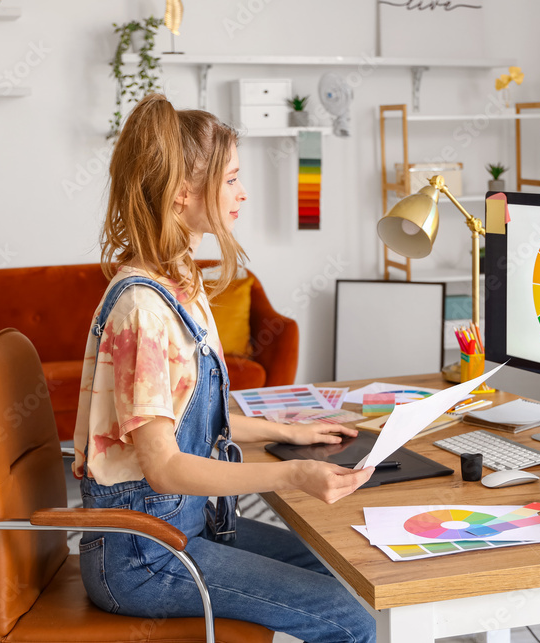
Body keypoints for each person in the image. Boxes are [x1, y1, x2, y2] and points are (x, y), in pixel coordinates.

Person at [71, 93, 376, 642]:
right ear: (183, 193)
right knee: (346, 618)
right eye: (231, 179)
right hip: (143, 558)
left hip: (183, 531)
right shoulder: (142, 311)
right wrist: (291, 473)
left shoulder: (179, 282)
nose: (242, 193)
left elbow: (192, 418)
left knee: (343, 569)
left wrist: (289, 433)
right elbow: (164, 468)